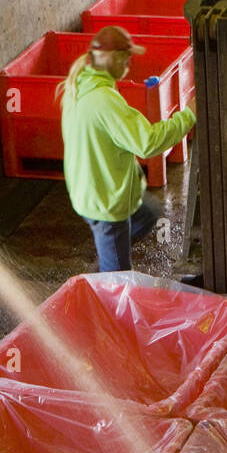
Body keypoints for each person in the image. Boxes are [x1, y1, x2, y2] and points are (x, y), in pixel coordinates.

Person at [59, 24, 196, 272]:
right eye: (126, 59)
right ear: (114, 58)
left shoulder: (79, 84)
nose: (128, 65)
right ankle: (107, 273)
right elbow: (147, 143)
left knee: (149, 213)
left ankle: (108, 256)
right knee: (118, 280)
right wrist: (189, 116)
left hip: (91, 189)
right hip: (105, 202)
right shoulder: (104, 100)